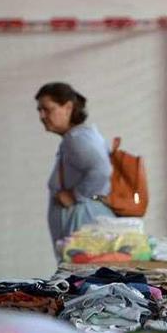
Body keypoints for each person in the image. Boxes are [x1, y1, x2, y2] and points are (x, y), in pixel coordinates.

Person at [36, 82, 114, 259]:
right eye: (39, 110)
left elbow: (101, 170)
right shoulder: (78, 137)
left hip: (83, 224)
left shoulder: (78, 139)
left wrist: (75, 195)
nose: (42, 116)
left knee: (83, 278)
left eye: (47, 109)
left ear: (68, 107)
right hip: (82, 224)